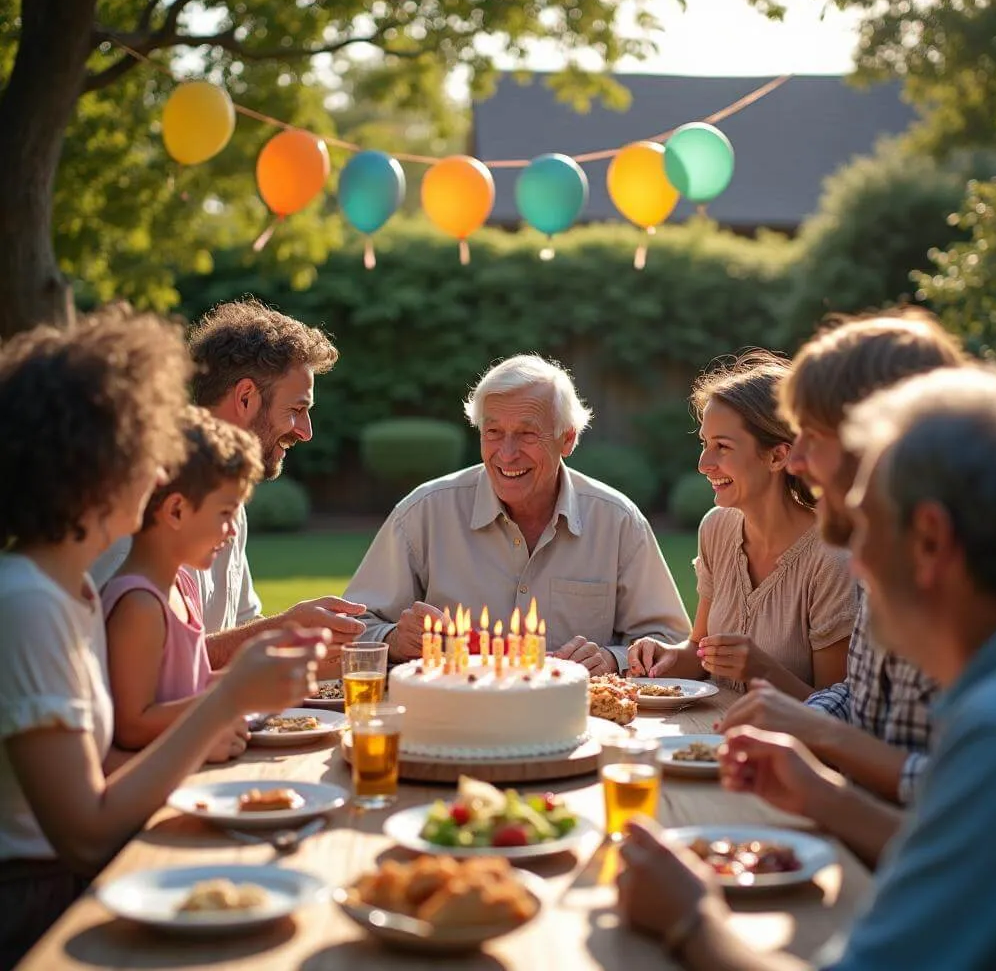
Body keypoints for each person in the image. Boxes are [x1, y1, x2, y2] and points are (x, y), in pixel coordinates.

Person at [618, 364, 996, 971]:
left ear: (931, 543)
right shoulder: (993, 694)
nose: (852, 563)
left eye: (862, 527)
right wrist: (820, 795)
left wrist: (690, 918)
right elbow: (953, 853)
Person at [0, 307, 327, 967]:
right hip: (40, 910)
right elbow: (85, 836)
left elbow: (103, 760)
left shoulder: (69, 590)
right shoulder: (28, 603)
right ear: (90, 467)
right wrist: (225, 701)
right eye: (148, 452)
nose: (162, 474)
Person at [718, 311, 966, 803]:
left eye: (816, 434)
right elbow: (863, 697)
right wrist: (796, 717)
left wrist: (820, 736)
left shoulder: (967, 587)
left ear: (886, 437)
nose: (797, 458)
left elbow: (966, 795)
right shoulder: (878, 562)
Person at [348, 354, 691, 674]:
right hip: (452, 721)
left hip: (576, 724)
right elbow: (350, 629)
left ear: (567, 439)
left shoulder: (617, 521)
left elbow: (671, 642)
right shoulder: (423, 512)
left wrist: (612, 659)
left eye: (527, 434)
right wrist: (393, 640)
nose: (507, 454)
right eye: (494, 432)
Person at [91, 298, 365, 669]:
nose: (306, 432)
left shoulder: (229, 497)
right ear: (246, 397)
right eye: (297, 410)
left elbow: (238, 627)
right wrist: (285, 627)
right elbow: (130, 665)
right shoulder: (148, 497)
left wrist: (314, 644)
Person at [629, 352, 856, 699]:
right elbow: (699, 654)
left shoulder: (831, 559)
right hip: (709, 739)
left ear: (778, 456)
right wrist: (667, 657)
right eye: (705, 444)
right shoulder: (717, 528)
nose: (704, 463)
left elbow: (835, 710)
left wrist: (762, 671)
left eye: (722, 447)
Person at [102, 406, 263, 756]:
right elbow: (132, 725)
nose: (233, 529)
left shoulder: (183, 586)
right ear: (175, 511)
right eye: (225, 513)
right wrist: (221, 708)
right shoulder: (139, 604)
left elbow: (192, 687)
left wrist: (255, 681)